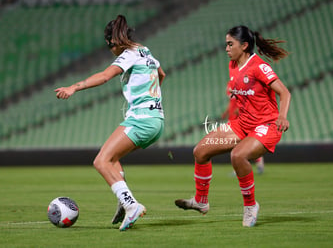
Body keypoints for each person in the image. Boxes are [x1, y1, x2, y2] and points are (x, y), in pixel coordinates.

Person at [55, 15, 165, 231]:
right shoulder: (146, 52)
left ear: (112, 42)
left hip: (142, 119)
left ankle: (131, 205)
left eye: (110, 48)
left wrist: (74, 87)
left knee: (101, 161)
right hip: (156, 119)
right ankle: (124, 203)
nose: (111, 52)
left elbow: (105, 76)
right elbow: (161, 73)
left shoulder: (129, 54)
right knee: (112, 159)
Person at [175, 25, 291, 227]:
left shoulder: (259, 67)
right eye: (226, 44)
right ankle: (201, 201)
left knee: (238, 155)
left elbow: (285, 93)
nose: (226, 48)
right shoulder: (233, 65)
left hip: (267, 125)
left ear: (244, 45)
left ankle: (250, 206)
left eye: (230, 44)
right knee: (200, 151)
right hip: (242, 124)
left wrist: (282, 116)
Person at [221, 82, 265, 175]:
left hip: (241, 120)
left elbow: (247, 100)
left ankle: (241, 168)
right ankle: (258, 164)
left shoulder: (243, 84)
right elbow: (232, 102)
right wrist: (226, 113)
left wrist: (241, 111)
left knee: (240, 144)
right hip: (233, 120)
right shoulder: (231, 84)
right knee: (239, 144)